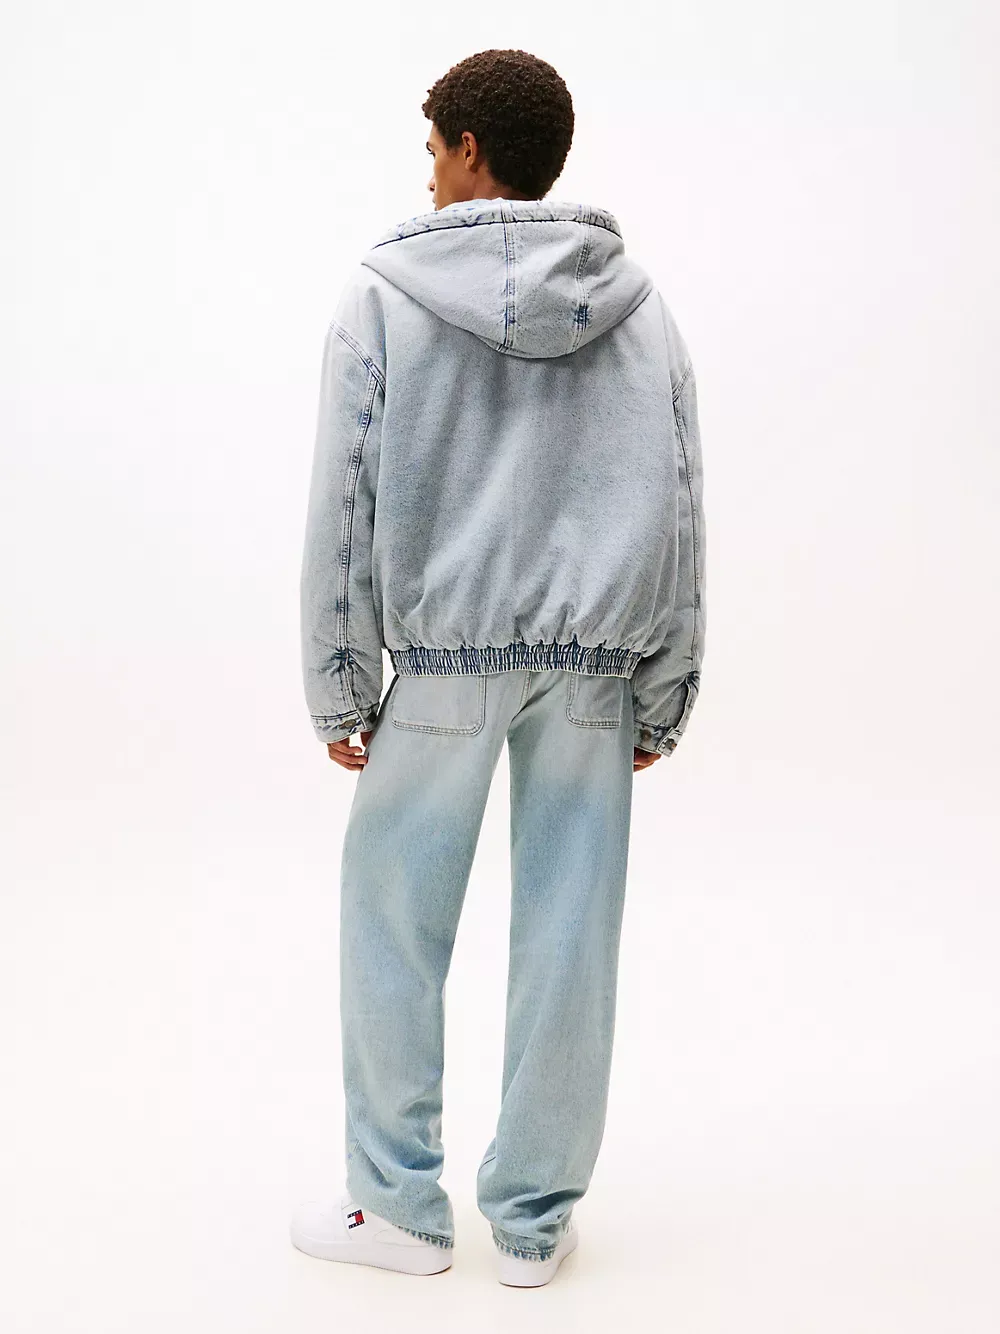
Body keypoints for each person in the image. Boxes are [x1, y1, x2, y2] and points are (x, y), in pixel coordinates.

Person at [292, 47, 707, 1287]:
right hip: (591, 670)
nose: (427, 175)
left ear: (472, 150)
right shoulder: (643, 307)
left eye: (434, 149)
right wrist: (665, 684)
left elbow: (345, 497)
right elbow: (682, 502)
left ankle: (397, 1208)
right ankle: (531, 1222)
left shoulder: (383, 296)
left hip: (440, 661)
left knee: (391, 921)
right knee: (571, 935)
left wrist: (339, 674)